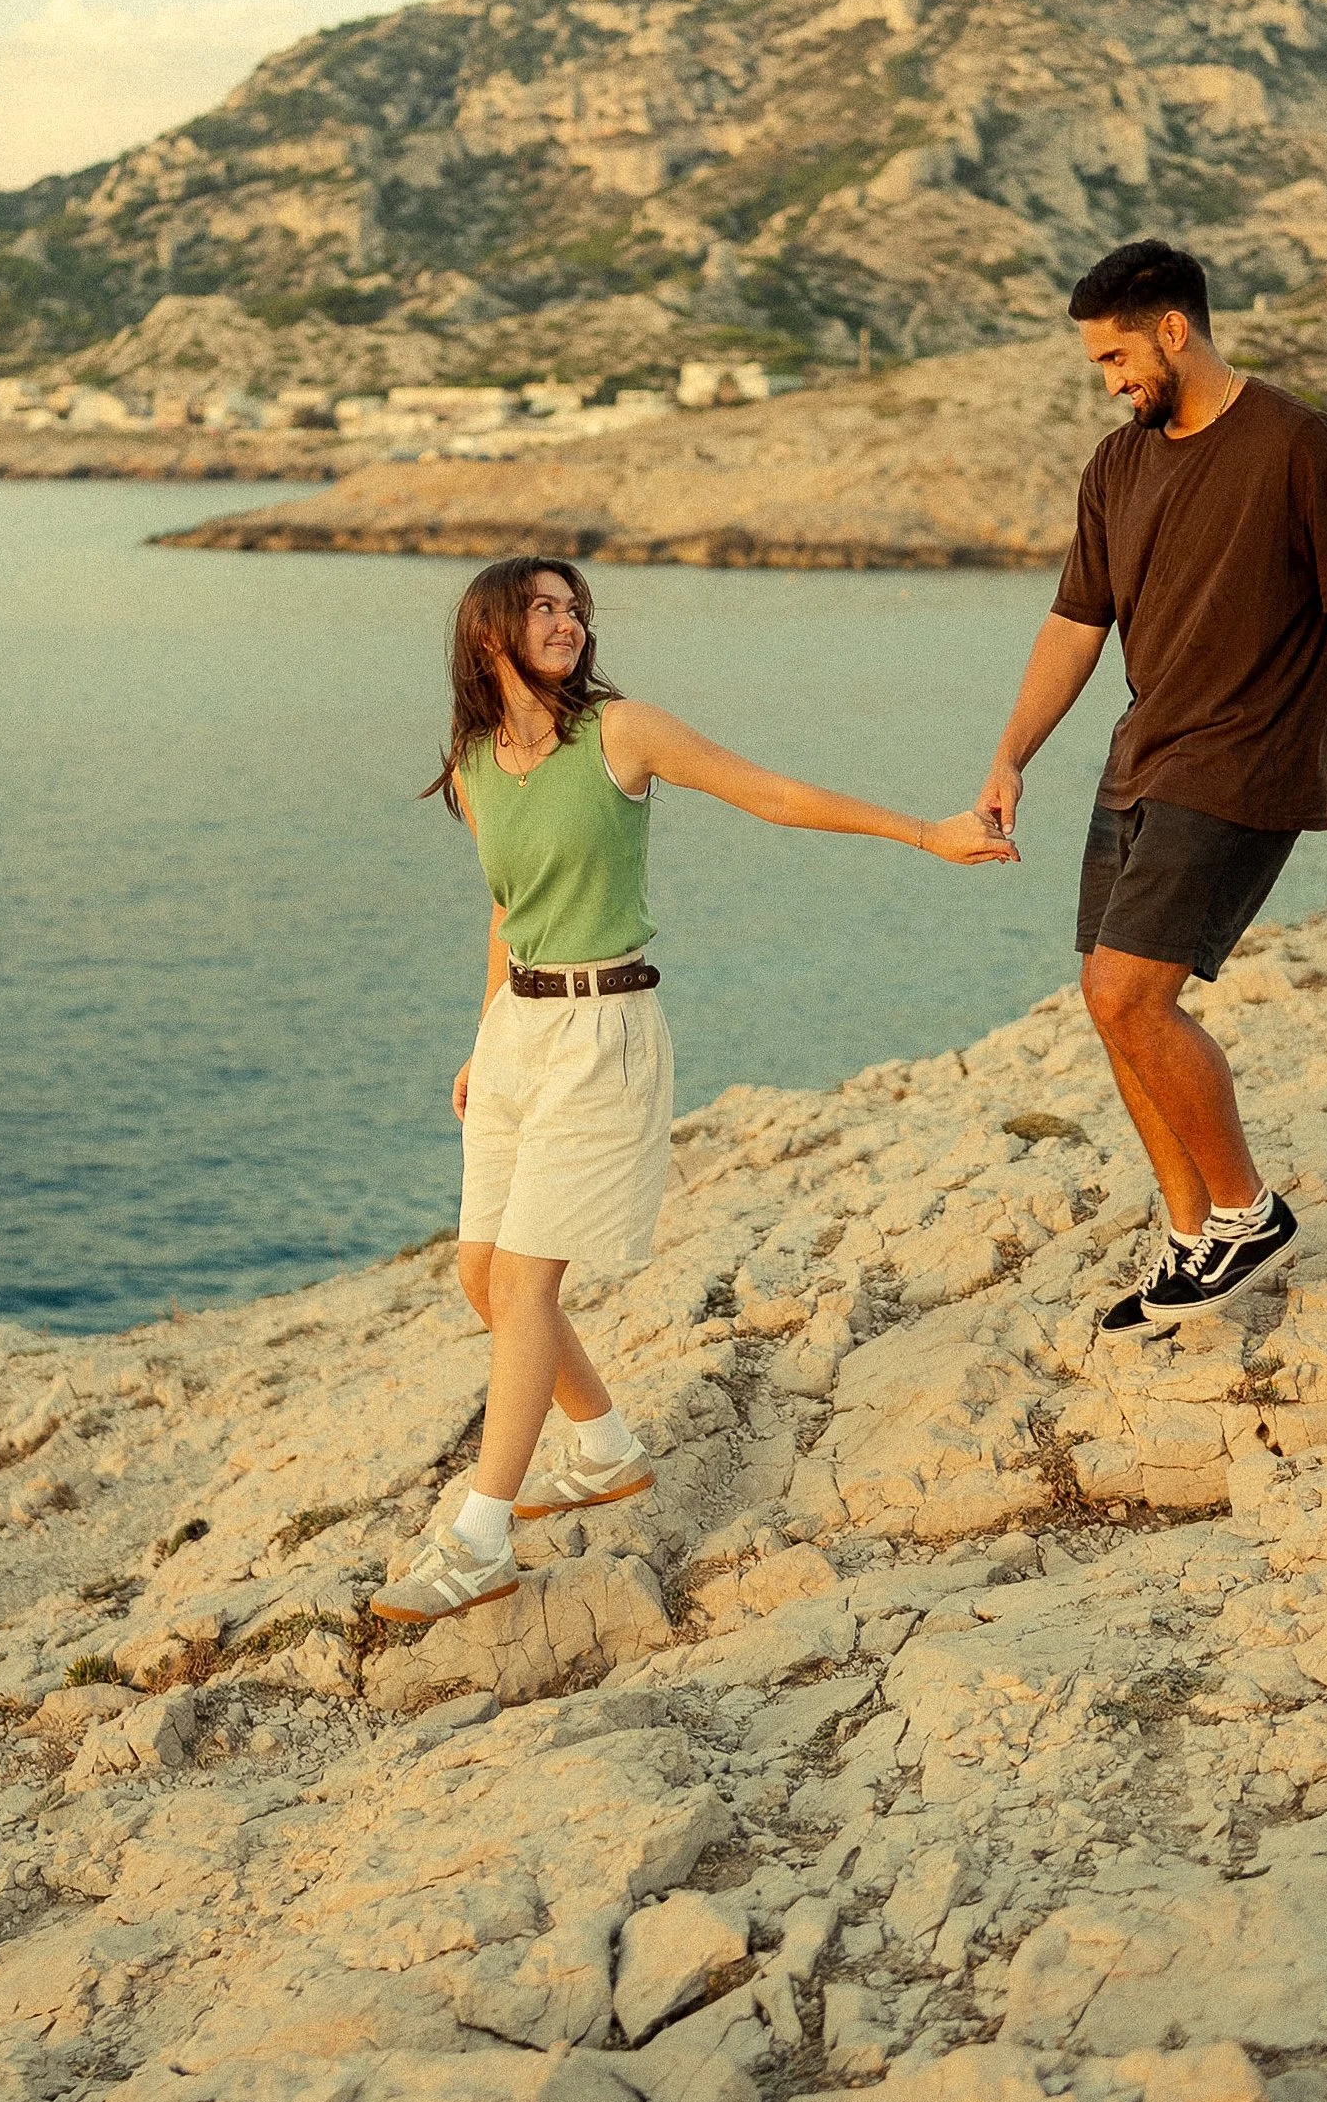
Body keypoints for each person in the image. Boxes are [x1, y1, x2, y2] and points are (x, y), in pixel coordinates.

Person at [374, 552, 1018, 1624]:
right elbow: (504, 905)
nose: (566, 621)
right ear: (488, 632)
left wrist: (924, 831)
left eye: (574, 607)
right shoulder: (476, 762)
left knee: (527, 1286)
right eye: (541, 607)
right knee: (481, 1277)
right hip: (516, 1030)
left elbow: (768, 792)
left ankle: (478, 1538)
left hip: (601, 1029)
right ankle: (604, 1445)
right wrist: (481, 1040)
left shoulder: (619, 732)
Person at [974, 238, 1327, 1337]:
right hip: (1140, 759)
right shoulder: (1115, 465)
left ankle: (1246, 1212)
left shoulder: (1294, 442)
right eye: (1098, 367)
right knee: (1108, 1005)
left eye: (1118, 356)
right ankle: (1188, 1242)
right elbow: (1076, 624)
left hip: (1239, 765)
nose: (1112, 380)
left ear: (1174, 329)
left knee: (1131, 996)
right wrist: (1009, 752)